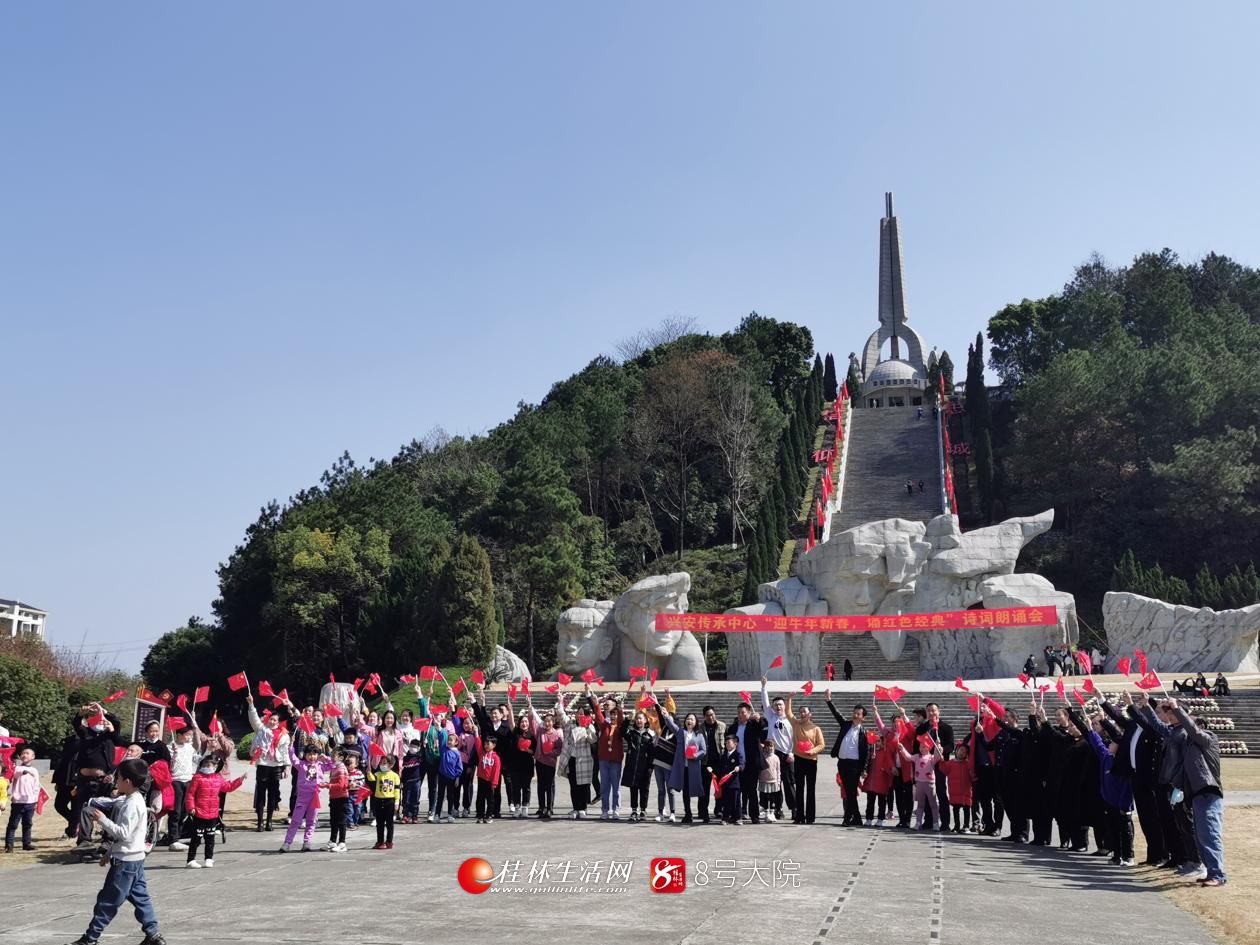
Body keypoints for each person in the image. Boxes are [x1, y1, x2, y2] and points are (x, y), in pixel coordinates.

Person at [69, 758, 166, 945]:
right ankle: (153, 934)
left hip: (126, 862)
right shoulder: (134, 800)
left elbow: (123, 833)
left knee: (108, 900)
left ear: (127, 781)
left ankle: (90, 938)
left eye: (119, 778)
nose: (116, 781)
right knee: (141, 898)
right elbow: (131, 837)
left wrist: (103, 820)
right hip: (134, 858)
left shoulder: (131, 804)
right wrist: (109, 853)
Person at [1166, 697, 1227, 886]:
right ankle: (1211, 872)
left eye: (1192, 724)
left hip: (1208, 791)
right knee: (1201, 836)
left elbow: (1193, 731)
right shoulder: (1190, 747)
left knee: (1210, 833)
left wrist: (1177, 709)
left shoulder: (1209, 740)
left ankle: (1218, 874)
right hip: (1195, 794)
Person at [1085, 713, 1135, 866]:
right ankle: (1117, 855)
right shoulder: (1106, 757)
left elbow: (1127, 786)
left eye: (1113, 743)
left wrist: (1124, 804)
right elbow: (1097, 743)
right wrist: (1089, 728)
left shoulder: (1123, 764)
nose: (1110, 745)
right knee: (1112, 829)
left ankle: (1128, 856)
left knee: (1124, 830)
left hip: (1121, 802)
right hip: (1108, 800)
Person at [183, 754, 244, 868]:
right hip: (199, 812)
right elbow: (190, 794)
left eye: (210, 765)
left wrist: (239, 780)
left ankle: (209, 858)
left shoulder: (218, 778)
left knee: (210, 837)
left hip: (213, 813)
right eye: (205, 764)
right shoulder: (197, 778)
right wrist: (191, 807)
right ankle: (191, 860)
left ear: (216, 766)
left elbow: (228, 787)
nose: (207, 767)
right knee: (196, 837)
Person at [245, 693, 289, 832]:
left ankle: (269, 821)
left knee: (273, 794)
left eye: (275, 720)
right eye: (271, 719)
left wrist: (287, 767)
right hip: (263, 764)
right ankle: (260, 822)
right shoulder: (262, 730)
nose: (272, 722)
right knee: (261, 794)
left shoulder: (284, 735)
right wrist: (251, 705)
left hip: (276, 766)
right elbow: (254, 719)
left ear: (279, 722)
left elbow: (285, 752)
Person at [825, 693, 869, 827]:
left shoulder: (864, 733)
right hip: (842, 763)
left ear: (863, 718)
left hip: (854, 765)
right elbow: (837, 714)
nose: (855, 715)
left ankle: (848, 818)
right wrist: (829, 701)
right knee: (849, 792)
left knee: (850, 792)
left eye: (858, 714)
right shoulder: (846, 725)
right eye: (854, 713)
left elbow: (866, 753)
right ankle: (856, 818)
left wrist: (864, 769)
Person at [280, 740, 332, 852]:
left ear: (318, 755)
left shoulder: (321, 766)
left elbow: (333, 765)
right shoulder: (301, 764)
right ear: (305, 755)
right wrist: (291, 747)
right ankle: (287, 842)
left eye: (314, 754)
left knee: (311, 821)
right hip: (302, 797)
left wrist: (326, 758)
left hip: (315, 797)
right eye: (309, 754)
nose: (312, 757)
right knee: (295, 820)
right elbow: (292, 758)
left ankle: (307, 842)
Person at [659, 706, 706, 824]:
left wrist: (696, 755)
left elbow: (704, 751)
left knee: (697, 790)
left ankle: (703, 813)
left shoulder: (699, 736)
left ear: (696, 723)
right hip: (682, 767)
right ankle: (688, 813)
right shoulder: (681, 732)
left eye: (692, 719)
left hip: (694, 768)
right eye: (688, 719)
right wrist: (666, 715)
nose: (689, 721)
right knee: (685, 792)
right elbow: (671, 725)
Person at [759, 678, 796, 820]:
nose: (778, 707)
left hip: (787, 754)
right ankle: (777, 809)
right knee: (774, 783)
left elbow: (794, 738)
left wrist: (791, 752)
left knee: (789, 782)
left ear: (784, 706)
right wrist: (763, 686)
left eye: (780, 705)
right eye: (776, 705)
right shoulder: (770, 716)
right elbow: (765, 701)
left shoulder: (790, 719)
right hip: (772, 755)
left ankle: (794, 808)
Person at [916, 703, 956, 830]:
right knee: (927, 794)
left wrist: (942, 749)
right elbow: (916, 744)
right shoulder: (923, 729)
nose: (931, 713)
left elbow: (951, 746)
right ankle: (928, 821)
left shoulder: (946, 728)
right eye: (928, 711)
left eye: (933, 711)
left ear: (939, 711)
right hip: (926, 766)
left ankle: (945, 823)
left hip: (940, 765)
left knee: (941, 792)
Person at [555, 693, 594, 818]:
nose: (580, 715)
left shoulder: (589, 726)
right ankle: (575, 808)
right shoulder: (570, 724)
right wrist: (560, 701)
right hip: (571, 759)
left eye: (583, 713)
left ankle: (583, 808)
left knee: (583, 785)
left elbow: (593, 740)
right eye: (578, 713)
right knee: (574, 785)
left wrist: (588, 728)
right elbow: (561, 715)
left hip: (584, 760)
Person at [592, 686, 627, 820]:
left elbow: (623, 721)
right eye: (611, 714)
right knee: (605, 786)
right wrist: (596, 705)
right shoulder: (604, 725)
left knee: (615, 787)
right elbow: (599, 716)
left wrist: (621, 711)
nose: (613, 716)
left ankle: (616, 809)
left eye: (615, 714)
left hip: (616, 760)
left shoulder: (619, 728)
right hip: (604, 760)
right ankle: (605, 810)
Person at [730, 700, 767, 824]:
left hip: (751, 764)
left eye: (743, 712)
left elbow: (763, 727)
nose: (741, 715)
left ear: (749, 713)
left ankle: (754, 816)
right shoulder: (734, 727)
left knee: (752, 791)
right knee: (737, 791)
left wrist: (758, 719)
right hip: (737, 765)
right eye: (739, 713)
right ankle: (736, 814)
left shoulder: (753, 725)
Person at [790, 702, 826, 825]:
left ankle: (810, 817)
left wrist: (812, 751)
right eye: (800, 712)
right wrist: (789, 698)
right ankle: (799, 816)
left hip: (811, 761)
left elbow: (821, 745)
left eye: (804, 712)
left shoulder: (816, 728)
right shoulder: (796, 724)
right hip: (799, 759)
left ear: (810, 714)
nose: (802, 714)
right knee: (799, 788)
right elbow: (788, 713)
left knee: (811, 789)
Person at [898, 735, 944, 830]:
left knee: (933, 804)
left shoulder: (931, 758)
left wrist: (938, 745)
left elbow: (938, 755)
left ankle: (936, 823)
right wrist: (902, 749)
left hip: (930, 783)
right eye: (920, 746)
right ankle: (918, 822)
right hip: (919, 783)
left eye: (924, 746)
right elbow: (908, 757)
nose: (921, 748)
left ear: (928, 748)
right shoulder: (917, 757)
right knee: (920, 805)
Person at [621, 707, 655, 822]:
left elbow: (653, 751)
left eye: (641, 718)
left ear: (645, 720)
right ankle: (634, 810)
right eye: (637, 719)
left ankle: (643, 810)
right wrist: (627, 720)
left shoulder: (650, 734)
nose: (639, 721)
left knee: (644, 789)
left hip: (645, 766)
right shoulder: (631, 733)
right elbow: (622, 731)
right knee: (633, 788)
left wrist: (651, 766)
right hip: (633, 765)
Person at [4, 746, 39, 852]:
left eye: (27, 753)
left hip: (30, 802)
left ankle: (26, 843)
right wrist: (24, 772)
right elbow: (16, 775)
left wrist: (36, 800)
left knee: (27, 823)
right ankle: (9, 845)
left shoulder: (34, 770)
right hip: (18, 801)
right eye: (23, 753)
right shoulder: (17, 768)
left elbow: (36, 786)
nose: (24, 755)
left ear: (33, 757)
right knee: (13, 824)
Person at [936, 742, 975, 833]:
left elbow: (972, 775)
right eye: (960, 750)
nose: (962, 753)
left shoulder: (968, 764)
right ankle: (957, 826)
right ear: (956, 751)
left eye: (964, 752)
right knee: (956, 809)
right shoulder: (950, 763)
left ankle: (966, 826)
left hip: (966, 791)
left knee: (966, 809)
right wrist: (941, 761)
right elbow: (943, 769)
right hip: (954, 791)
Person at [697, 706, 726, 824]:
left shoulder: (722, 726)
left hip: (719, 762)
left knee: (719, 787)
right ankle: (703, 812)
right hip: (705, 762)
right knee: (704, 788)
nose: (711, 717)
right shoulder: (700, 728)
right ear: (704, 716)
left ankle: (719, 809)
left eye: (713, 714)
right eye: (708, 715)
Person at [365, 754, 400, 849]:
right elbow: (371, 779)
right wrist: (368, 773)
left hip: (390, 801)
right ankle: (380, 842)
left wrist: (397, 802)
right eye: (381, 763)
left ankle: (389, 841)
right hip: (379, 800)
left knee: (389, 823)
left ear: (391, 765)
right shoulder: (378, 774)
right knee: (379, 823)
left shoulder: (395, 776)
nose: (382, 765)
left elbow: (397, 790)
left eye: (384, 763)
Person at [708, 733, 743, 825]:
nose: (727, 744)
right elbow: (720, 768)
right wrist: (712, 769)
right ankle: (725, 818)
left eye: (729, 743)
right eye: (726, 743)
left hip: (734, 783)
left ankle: (737, 818)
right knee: (726, 801)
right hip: (725, 783)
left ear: (735, 744)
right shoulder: (724, 755)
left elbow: (742, 764)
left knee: (736, 801)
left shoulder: (738, 754)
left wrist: (739, 767)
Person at [434, 731, 464, 823]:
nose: (449, 741)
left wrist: (457, 778)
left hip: (451, 778)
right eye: (448, 740)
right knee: (440, 796)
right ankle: (437, 814)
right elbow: (442, 737)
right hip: (442, 776)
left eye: (451, 740)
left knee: (450, 796)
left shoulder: (457, 753)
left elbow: (459, 768)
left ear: (456, 742)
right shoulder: (444, 749)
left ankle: (450, 814)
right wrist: (441, 730)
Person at [324, 749, 350, 852]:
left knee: (341, 821)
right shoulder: (335, 768)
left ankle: (342, 842)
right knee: (333, 820)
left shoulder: (341, 769)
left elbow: (341, 785)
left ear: (341, 757)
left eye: (334, 755)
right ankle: (333, 841)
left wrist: (328, 785)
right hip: (334, 797)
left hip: (341, 797)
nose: (332, 757)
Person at [475, 734, 502, 823]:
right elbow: (478, 744)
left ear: (494, 745)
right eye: (485, 744)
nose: (485, 746)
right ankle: (480, 816)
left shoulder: (496, 758)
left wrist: (494, 783)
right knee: (480, 799)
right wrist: (476, 733)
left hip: (490, 782)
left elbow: (496, 771)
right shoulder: (481, 753)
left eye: (488, 744)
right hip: (481, 779)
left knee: (490, 799)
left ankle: (489, 815)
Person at [400, 738, 423, 823]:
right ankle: (406, 815)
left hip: (416, 781)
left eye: (415, 747)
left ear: (418, 748)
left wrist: (424, 745)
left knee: (415, 799)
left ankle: (414, 816)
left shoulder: (419, 757)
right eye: (411, 746)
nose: (413, 748)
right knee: (406, 800)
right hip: (407, 781)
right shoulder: (405, 758)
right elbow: (403, 771)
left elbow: (423, 758)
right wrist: (402, 781)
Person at [757, 740, 782, 821]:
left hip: (773, 781)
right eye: (768, 746)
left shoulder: (776, 758)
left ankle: (772, 812)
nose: (770, 748)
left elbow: (778, 770)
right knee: (765, 797)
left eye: (771, 746)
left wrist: (778, 781)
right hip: (764, 780)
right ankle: (766, 812)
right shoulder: (763, 756)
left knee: (772, 798)